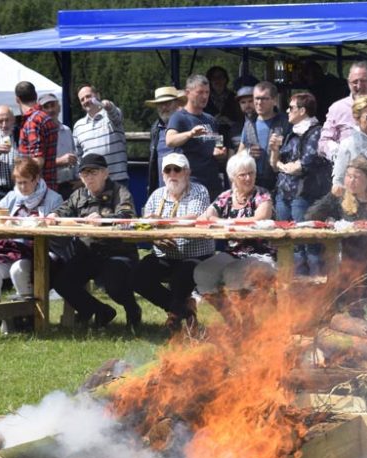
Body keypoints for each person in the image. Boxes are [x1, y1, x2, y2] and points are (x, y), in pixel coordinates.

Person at [47, 153, 140, 330]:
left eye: (93, 173)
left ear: (105, 173)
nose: (88, 178)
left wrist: (104, 219)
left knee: (114, 281)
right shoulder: (79, 195)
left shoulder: (120, 191)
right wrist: (54, 215)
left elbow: (127, 216)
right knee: (62, 282)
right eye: (84, 174)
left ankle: (132, 309)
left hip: (117, 253)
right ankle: (99, 310)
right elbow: (63, 210)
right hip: (88, 253)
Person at [305, 157, 367, 317]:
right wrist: (330, 196)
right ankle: (353, 317)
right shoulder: (341, 200)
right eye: (348, 176)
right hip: (350, 258)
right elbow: (311, 216)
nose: (351, 181)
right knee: (347, 273)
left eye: (356, 177)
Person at [133, 152, 212, 334]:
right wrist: (155, 238)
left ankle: (174, 318)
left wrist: (160, 222)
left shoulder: (199, 191)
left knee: (182, 275)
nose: (172, 174)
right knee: (137, 275)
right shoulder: (157, 195)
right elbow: (145, 225)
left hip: (195, 255)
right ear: (162, 175)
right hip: (165, 254)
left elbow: (193, 218)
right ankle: (184, 311)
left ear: (187, 172)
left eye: (177, 169)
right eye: (167, 170)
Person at [0, 158, 63, 331]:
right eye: (18, 183)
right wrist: (0, 221)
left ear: (36, 179)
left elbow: (60, 231)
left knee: (18, 269)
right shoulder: (12, 196)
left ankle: (29, 315)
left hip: (41, 252)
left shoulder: (54, 198)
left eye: (25, 182)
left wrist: (42, 223)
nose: (21, 187)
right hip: (12, 250)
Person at [194, 153, 276, 296]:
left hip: (261, 254)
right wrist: (209, 218)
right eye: (243, 175)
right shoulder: (225, 197)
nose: (248, 178)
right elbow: (208, 215)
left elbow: (260, 218)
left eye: (251, 173)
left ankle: (244, 316)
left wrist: (223, 222)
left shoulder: (262, 195)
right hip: (233, 252)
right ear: (232, 177)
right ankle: (228, 314)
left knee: (233, 273)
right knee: (202, 272)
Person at [269, 91, 331, 274]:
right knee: (289, 244)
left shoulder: (316, 132)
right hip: (283, 195)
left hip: (304, 195)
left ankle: (316, 290)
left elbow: (303, 165)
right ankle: (296, 291)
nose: (287, 110)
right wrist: (274, 150)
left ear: (303, 110)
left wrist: (283, 165)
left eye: (291, 107)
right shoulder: (291, 134)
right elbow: (274, 165)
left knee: (308, 243)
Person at [167, 74, 228, 199]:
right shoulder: (179, 117)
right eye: (200, 92)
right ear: (188, 93)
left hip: (213, 181)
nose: (205, 96)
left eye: (207, 92)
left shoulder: (210, 119)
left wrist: (221, 153)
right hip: (191, 181)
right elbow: (170, 140)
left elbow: (218, 144)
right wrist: (190, 134)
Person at [239, 81, 290, 192]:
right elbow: (239, 154)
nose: (259, 103)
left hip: (281, 183)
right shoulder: (249, 123)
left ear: (274, 100)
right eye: (256, 98)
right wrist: (247, 153)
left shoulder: (286, 123)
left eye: (263, 99)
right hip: (253, 183)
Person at [73, 84, 127, 186]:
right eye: (82, 99)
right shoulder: (78, 126)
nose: (86, 101)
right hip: (92, 182)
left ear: (98, 95)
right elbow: (78, 157)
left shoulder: (111, 116)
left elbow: (116, 114)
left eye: (88, 96)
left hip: (117, 180)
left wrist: (108, 105)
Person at [15, 81, 58, 188]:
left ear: (17, 99)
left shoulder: (32, 121)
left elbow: (37, 161)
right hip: (49, 184)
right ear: (36, 96)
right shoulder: (45, 117)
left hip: (37, 189)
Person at [145, 85, 186, 196]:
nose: (164, 107)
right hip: (162, 191)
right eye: (160, 104)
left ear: (177, 104)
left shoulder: (187, 124)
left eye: (167, 103)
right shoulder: (156, 128)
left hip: (186, 191)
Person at [39, 93, 80, 198]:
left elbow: (74, 154)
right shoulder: (39, 132)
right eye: (46, 107)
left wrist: (78, 179)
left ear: (59, 108)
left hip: (69, 185)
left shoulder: (67, 130)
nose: (50, 110)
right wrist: (60, 161)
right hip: (49, 186)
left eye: (53, 105)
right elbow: (36, 162)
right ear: (40, 111)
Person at [0, 105, 19, 200]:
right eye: (0, 121)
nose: (4, 125)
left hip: (19, 189)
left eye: (7, 120)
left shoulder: (21, 139)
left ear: (13, 120)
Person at [227, 86, 256, 154]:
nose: (247, 105)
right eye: (243, 102)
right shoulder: (234, 129)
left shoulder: (264, 123)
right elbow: (231, 156)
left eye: (250, 101)